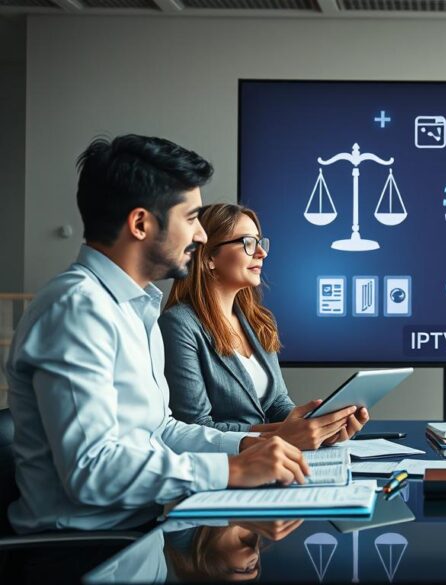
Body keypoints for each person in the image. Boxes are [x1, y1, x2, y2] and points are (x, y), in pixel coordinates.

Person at [4, 135, 311, 536]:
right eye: (191, 219)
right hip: (82, 549)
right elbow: (90, 470)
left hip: (139, 533)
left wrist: (245, 446)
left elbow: (160, 431)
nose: (200, 236)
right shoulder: (77, 309)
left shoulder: (135, 307)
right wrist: (231, 469)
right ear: (140, 223)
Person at [160, 203, 368, 449]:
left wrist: (318, 427)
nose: (261, 253)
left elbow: (277, 403)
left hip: (271, 457)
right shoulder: (179, 324)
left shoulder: (258, 321)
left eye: (260, 242)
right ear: (208, 258)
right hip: (227, 466)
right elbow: (194, 426)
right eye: (248, 242)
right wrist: (284, 434)